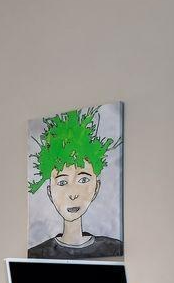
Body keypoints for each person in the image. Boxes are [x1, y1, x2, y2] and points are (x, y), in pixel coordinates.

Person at [26, 107, 122, 259]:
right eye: (62, 182)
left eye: (83, 180)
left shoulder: (115, 248)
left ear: (96, 187)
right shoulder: (36, 253)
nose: (73, 194)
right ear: (50, 192)